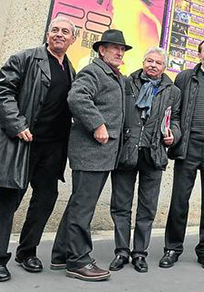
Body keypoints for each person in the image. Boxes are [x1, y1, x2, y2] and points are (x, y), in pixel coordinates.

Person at [0, 17, 76, 282]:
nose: (59, 34)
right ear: (47, 34)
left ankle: (26, 252)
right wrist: (17, 123)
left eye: (65, 32)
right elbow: (0, 92)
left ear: (72, 40)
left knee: (44, 201)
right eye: (55, 30)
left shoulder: (70, 70)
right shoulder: (25, 58)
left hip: (52, 149)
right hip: (22, 144)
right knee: (8, 201)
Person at [50, 29, 132, 281]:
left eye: (122, 49)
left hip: (103, 154)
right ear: (101, 50)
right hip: (90, 152)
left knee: (79, 204)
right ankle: (78, 261)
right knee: (83, 207)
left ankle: (60, 254)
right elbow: (77, 97)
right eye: (114, 47)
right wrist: (97, 124)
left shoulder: (115, 76)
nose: (119, 52)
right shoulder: (94, 71)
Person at [159, 39, 204, 271]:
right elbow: (176, 112)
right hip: (189, 147)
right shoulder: (185, 78)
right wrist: (175, 136)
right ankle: (172, 248)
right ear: (199, 54)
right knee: (180, 200)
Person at [108, 47, 181, 273]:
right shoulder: (127, 83)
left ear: (164, 67)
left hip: (154, 153)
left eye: (158, 63)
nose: (152, 65)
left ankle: (139, 253)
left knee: (147, 209)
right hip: (127, 152)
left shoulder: (173, 91)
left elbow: (176, 120)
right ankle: (121, 251)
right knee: (120, 206)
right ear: (143, 61)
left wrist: (173, 135)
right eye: (149, 60)